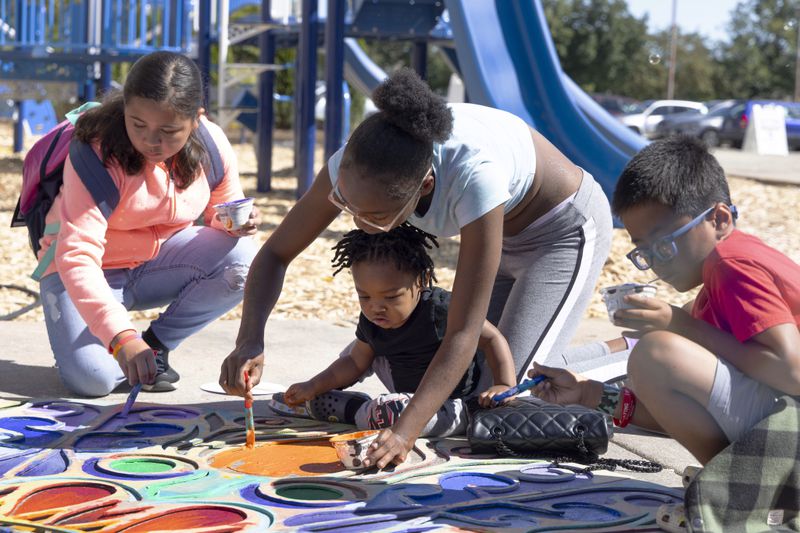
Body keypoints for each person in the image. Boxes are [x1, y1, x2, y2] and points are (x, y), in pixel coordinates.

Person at [220, 68, 612, 468]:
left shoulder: (473, 176)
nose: (358, 222)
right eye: (347, 204)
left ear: (425, 187)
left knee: (509, 398)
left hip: (560, 232)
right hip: (502, 234)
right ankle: (571, 352)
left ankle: (613, 364)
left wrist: (405, 431)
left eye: (374, 216)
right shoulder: (358, 165)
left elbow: (462, 330)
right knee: (468, 384)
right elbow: (275, 254)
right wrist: (249, 338)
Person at [528, 136, 800, 466]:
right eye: (645, 251)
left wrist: (680, 325)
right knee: (658, 357)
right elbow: (690, 412)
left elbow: (791, 371)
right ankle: (738, 483)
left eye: (665, 245)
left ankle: (737, 489)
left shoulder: (731, 264)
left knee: (657, 353)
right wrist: (588, 394)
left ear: (719, 219)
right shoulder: (715, 292)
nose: (657, 262)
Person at [38, 51, 259, 397]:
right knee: (93, 380)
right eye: (137, 124)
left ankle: (156, 345)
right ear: (125, 107)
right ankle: (109, 345)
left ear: (196, 120)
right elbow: (77, 255)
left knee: (245, 258)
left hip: (156, 263)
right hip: (83, 271)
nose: (151, 141)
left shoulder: (212, 143)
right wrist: (121, 337)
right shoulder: (96, 152)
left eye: (169, 131)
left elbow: (220, 210)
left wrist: (234, 223)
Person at [282, 224, 517, 436]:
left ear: (422, 280)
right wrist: (313, 385)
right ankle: (340, 403)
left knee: (397, 415)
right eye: (364, 296)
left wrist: (504, 384)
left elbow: (492, 338)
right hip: (402, 395)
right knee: (362, 356)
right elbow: (355, 363)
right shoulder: (371, 319)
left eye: (392, 296)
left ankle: (353, 409)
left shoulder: (442, 309)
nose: (376, 307)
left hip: (452, 403)